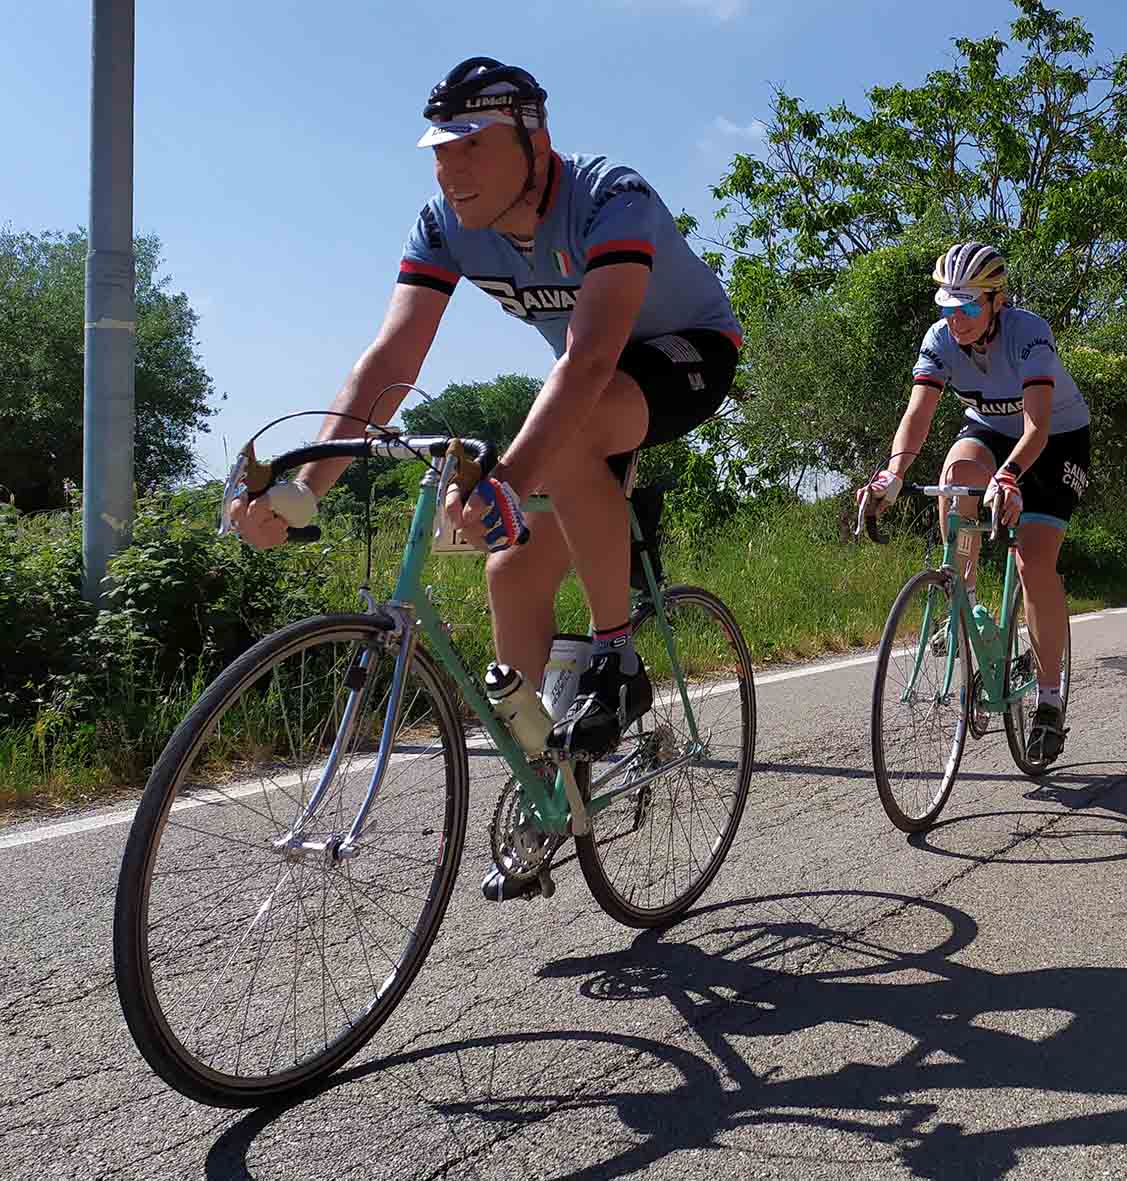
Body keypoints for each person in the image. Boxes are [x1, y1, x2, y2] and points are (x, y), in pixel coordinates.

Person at [226, 57, 742, 899]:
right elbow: (390, 360)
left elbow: (590, 358)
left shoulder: (613, 197)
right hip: (589, 390)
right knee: (511, 570)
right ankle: (547, 782)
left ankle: (617, 657)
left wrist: (503, 480)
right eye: (438, 148)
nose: (448, 168)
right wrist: (300, 487)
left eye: (470, 145)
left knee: (564, 432)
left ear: (535, 140)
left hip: (683, 357)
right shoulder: (444, 224)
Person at [858, 242, 1090, 763]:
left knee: (1033, 560)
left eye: (966, 308)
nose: (955, 319)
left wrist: (1009, 476)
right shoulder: (940, 340)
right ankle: (962, 603)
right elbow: (918, 414)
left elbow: (1036, 426)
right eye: (947, 307)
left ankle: (1049, 698)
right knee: (957, 471)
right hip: (988, 430)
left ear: (996, 302)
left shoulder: (1028, 333)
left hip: (1055, 440)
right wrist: (892, 475)